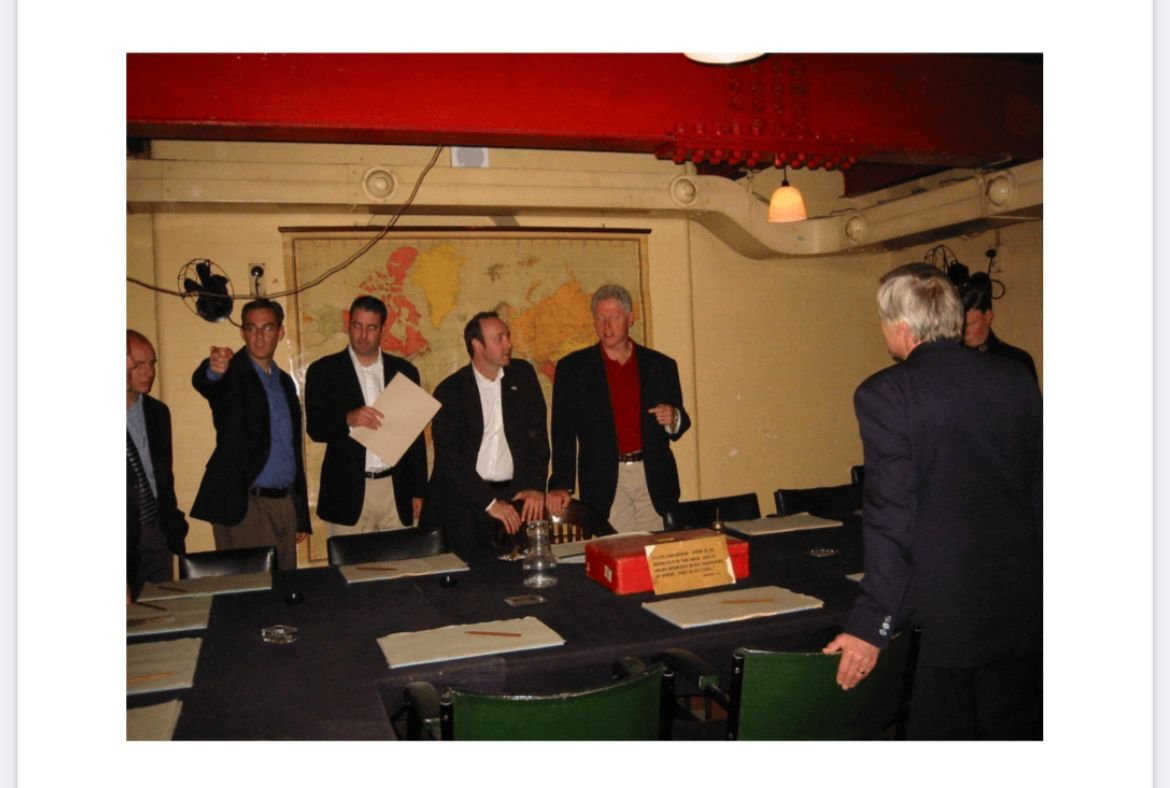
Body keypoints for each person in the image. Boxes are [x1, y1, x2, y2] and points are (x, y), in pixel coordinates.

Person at [823, 263, 1042, 740]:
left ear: (901, 326)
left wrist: (871, 625)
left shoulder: (887, 393)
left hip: (943, 620)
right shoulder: (1016, 379)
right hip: (1023, 607)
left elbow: (891, 518)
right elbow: (1038, 491)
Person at [547, 284, 690, 532]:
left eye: (614, 317)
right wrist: (561, 484)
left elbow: (680, 421)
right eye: (600, 318)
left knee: (653, 549)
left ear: (630, 318)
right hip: (606, 478)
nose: (606, 326)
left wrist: (673, 417)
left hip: (653, 476)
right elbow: (563, 432)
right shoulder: (573, 369)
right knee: (618, 548)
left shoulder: (660, 365)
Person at [190, 299, 310, 571]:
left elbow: (292, 449)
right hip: (245, 504)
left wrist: (299, 512)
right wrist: (213, 369)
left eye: (267, 328)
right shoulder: (232, 371)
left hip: (284, 503)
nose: (259, 336)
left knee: (285, 585)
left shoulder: (284, 382)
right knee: (254, 590)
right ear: (242, 332)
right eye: (251, 328)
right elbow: (206, 382)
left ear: (280, 332)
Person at [420, 312, 548, 562]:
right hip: (465, 502)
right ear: (477, 346)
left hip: (513, 498)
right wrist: (489, 503)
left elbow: (537, 438)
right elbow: (450, 459)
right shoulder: (451, 390)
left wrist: (535, 487)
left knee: (513, 575)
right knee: (469, 577)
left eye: (507, 336)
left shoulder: (523, 376)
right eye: (499, 338)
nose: (509, 343)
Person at [305, 295, 427, 538]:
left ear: (382, 329)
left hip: (396, 489)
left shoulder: (405, 371)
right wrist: (347, 419)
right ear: (348, 325)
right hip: (347, 491)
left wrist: (419, 491)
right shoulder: (324, 370)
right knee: (350, 562)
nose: (363, 335)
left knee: (401, 561)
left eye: (371, 327)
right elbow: (315, 428)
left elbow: (415, 436)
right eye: (357, 326)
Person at [127, 330, 188, 598]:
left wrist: (171, 522)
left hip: (157, 528)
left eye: (152, 363)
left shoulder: (158, 412)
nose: (149, 372)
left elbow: (163, 476)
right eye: (139, 364)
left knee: (160, 605)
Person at [958, 271, 1038, 380]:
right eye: (961, 325)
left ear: (988, 317)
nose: (965, 331)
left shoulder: (1017, 362)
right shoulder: (951, 359)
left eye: (971, 324)